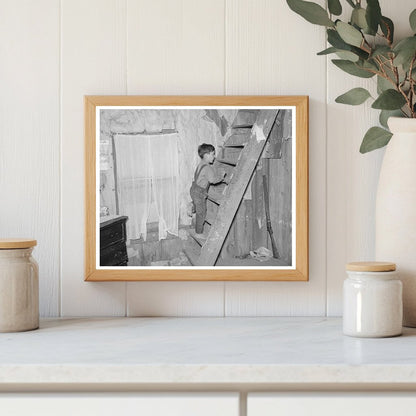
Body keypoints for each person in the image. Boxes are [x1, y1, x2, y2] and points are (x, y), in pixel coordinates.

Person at [190, 143, 226, 236]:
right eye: (213, 154)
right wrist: (221, 175)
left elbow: (206, 176)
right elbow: (213, 180)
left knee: (197, 205)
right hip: (199, 192)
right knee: (201, 213)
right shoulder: (207, 167)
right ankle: (199, 232)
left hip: (194, 189)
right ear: (206, 155)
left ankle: (192, 207)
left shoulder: (201, 164)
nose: (214, 157)